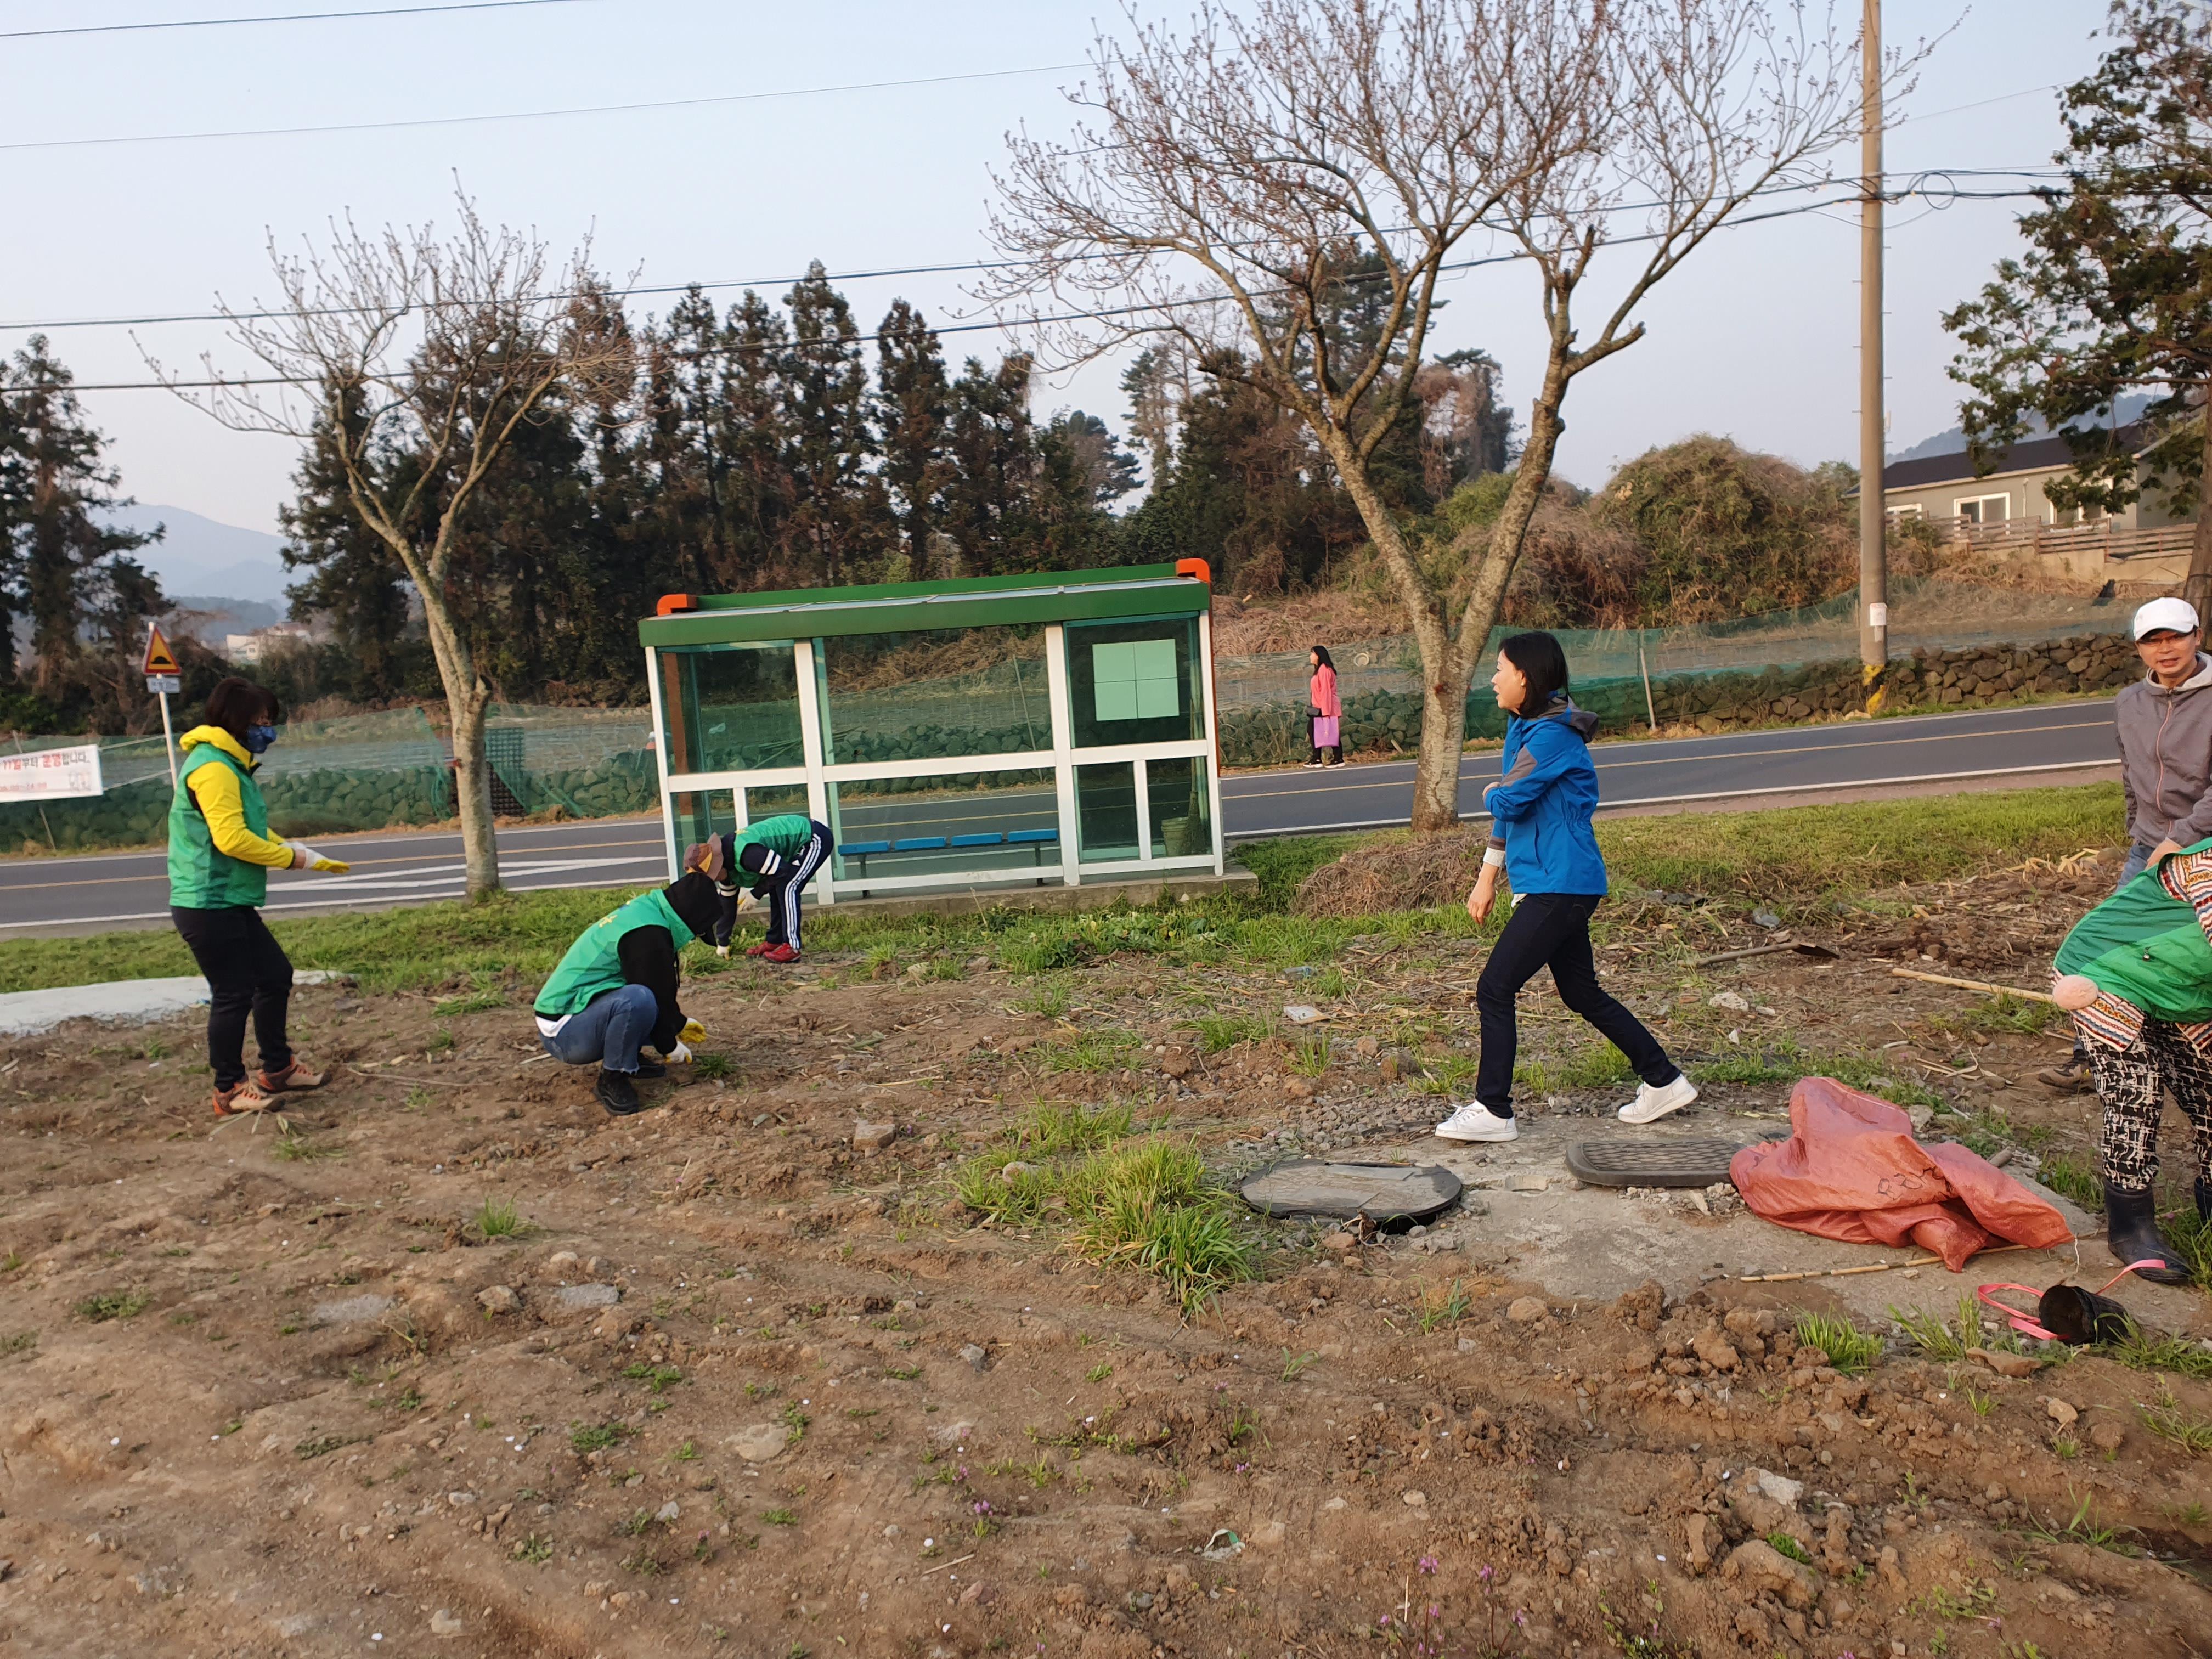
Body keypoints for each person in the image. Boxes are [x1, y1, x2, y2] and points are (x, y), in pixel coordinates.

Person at [1434, 632, 1698, 1143]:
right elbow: (1513, 813)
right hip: (1552, 883)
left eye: (1500, 669)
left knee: (1495, 986)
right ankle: (1664, 1080)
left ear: (1525, 677)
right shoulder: (1527, 729)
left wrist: (1491, 790)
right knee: (1580, 992)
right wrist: (1486, 877)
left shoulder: (1553, 737)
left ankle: (1494, 1110)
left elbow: (1507, 801)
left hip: (1561, 884)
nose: (1492, 679)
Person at [2042, 595, 2212, 1091]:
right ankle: (2092, 1056)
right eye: (2153, 641)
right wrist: (2138, 827)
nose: (2166, 649)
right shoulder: (2129, 703)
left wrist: (2179, 838)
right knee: (2105, 943)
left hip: (2201, 850)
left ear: (2197, 636)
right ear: (2140, 649)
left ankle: (2188, 1052)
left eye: (2175, 637)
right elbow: (2130, 772)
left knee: (2192, 948)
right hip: (2148, 847)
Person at [168, 676, 351, 1116]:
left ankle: (278, 1067)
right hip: (207, 902)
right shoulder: (213, 768)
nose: (267, 730)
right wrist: (294, 860)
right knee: (233, 993)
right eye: (259, 721)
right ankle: (229, 1088)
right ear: (234, 721)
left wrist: (298, 851)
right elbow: (232, 841)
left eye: (269, 720)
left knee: (274, 975)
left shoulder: (232, 765)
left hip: (228, 898)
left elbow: (250, 830)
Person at [2050, 835, 2212, 1283]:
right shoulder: (2206, 869)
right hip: (2105, 974)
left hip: (2177, 988)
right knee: (2135, 1094)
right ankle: (2130, 1227)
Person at [533, 845, 721, 1115]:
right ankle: (613, 1077)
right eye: (696, 933)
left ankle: (628, 1057)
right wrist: (669, 1045)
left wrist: (678, 1024)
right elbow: (652, 994)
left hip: (578, 1013)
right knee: (638, 999)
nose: (692, 939)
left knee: (642, 998)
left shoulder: (649, 912)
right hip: (564, 1033)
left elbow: (659, 986)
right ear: (690, 921)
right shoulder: (648, 936)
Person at [703, 814, 831, 962]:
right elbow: (727, 907)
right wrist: (723, 943)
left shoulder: (748, 854)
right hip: (791, 848)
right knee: (776, 887)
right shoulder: (727, 871)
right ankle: (775, 940)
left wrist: (756, 894)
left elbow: (782, 871)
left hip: (813, 837)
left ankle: (792, 948)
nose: (716, 879)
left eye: (714, 874)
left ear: (719, 864)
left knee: (788, 887)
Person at [1305, 645, 1342, 769]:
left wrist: (1326, 712)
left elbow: (1326, 691)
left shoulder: (1325, 670)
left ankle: (1337, 758)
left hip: (1325, 706)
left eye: (1312, 654)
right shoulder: (1320, 669)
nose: (1310, 656)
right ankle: (1318, 758)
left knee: (1329, 730)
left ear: (1319, 656)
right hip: (1319, 706)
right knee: (1315, 730)